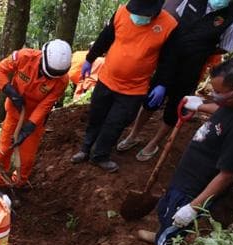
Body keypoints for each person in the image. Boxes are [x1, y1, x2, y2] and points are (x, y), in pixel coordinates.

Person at [130, 58, 233, 245]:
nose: (214, 95)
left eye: (218, 93)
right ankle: (160, 236)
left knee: (176, 226)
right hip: (188, 174)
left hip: (197, 187)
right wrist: (200, 106)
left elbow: (227, 174)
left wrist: (194, 207)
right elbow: (224, 111)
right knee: (167, 213)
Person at [117, 0, 233, 161]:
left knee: (176, 106)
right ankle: (133, 134)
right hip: (169, 58)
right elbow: (173, 17)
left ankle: (155, 142)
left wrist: (199, 48)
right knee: (151, 99)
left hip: (192, 66)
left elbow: (224, 46)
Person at [71, 0, 178, 172]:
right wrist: (90, 59)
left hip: (134, 88)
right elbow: (105, 37)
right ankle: (85, 149)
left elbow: (170, 59)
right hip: (107, 79)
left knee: (116, 123)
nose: (139, 17)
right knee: (96, 116)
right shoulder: (121, 13)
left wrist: (162, 84)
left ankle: (100, 155)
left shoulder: (169, 26)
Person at [0, 39, 71, 189]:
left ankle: (19, 183)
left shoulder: (62, 81)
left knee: (27, 159)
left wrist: (30, 126)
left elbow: (46, 104)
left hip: (34, 121)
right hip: (14, 114)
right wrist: (10, 91)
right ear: (43, 59)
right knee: (3, 152)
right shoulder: (24, 56)